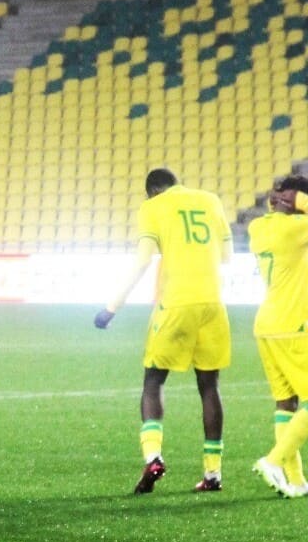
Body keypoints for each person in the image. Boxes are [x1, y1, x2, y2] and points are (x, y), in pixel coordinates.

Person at [94, 168, 233, 493]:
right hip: (213, 303)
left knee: (153, 381)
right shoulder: (211, 201)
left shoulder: (153, 207)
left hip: (176, 302)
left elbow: (143, 260)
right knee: (209, 386)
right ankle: (213, 474)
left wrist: (111, 307)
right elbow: (226, 257)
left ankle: (153, 457)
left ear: (152, 191)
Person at [246, 175, 308, 497]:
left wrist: (282, 200)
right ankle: (273, 461)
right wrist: (298, 200)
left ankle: (295, 481)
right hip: (292, 326)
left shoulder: (258, 228)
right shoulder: (296, 229)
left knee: (286, 403)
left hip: (265, 326)